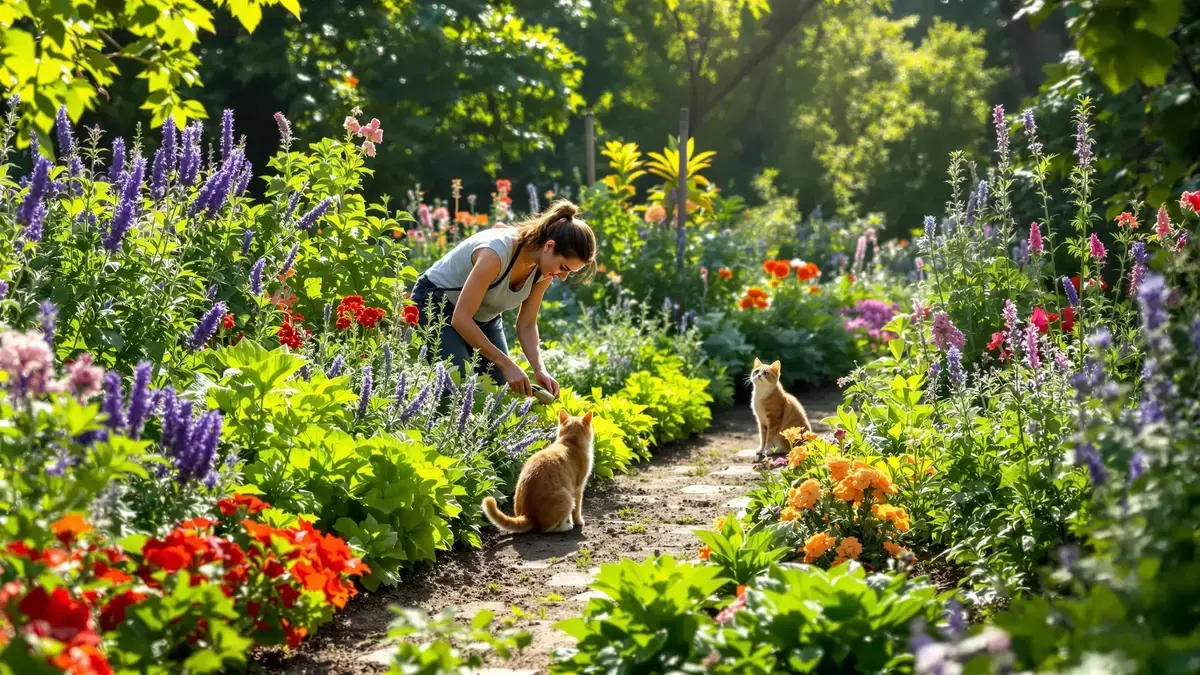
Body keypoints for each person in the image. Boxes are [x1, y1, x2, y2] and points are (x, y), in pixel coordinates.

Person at [411, 200, 595, 398]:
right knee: (455, 384)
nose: (563, 276)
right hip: (436, 305)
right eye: (564, 268)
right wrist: (507, 364)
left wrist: (539, 369)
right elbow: (461, 318)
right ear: (549, 246)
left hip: (482, 316)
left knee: (499, 395)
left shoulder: (545, 269)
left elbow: (526, 324)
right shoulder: (496, 254)